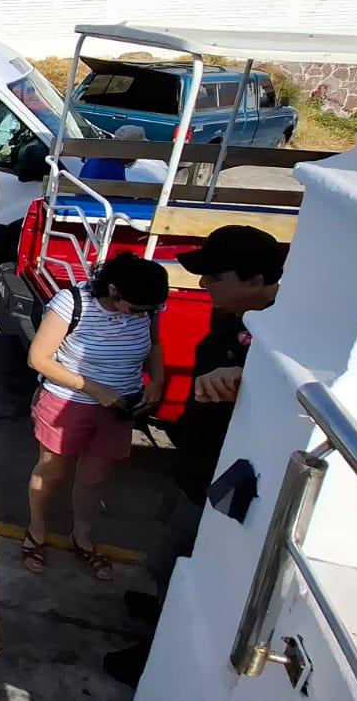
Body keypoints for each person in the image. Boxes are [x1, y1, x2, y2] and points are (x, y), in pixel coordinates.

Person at [102, 225, 284, 687]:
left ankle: (159, 649)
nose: (203, 286)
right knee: (169, 555)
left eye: (215, 276)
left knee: (181, 560)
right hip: (195, 461)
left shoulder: (281, 337)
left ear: (258, 280)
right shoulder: (234, 313)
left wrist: (249, 376)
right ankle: (163, 607)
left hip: (221, 477)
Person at [22, 252, 168, 581]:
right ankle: (36, 528)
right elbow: (39, 359)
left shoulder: (149, 308)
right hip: (67, 401)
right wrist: (95, 389)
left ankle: (83, 535)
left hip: (120, 406)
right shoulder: (72, 303)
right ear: (113, 291)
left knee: (95, 475)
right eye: (135, 308)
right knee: (51, 468)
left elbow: (154, 343)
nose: (140, 315)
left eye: (147, 311)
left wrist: (157, 380)